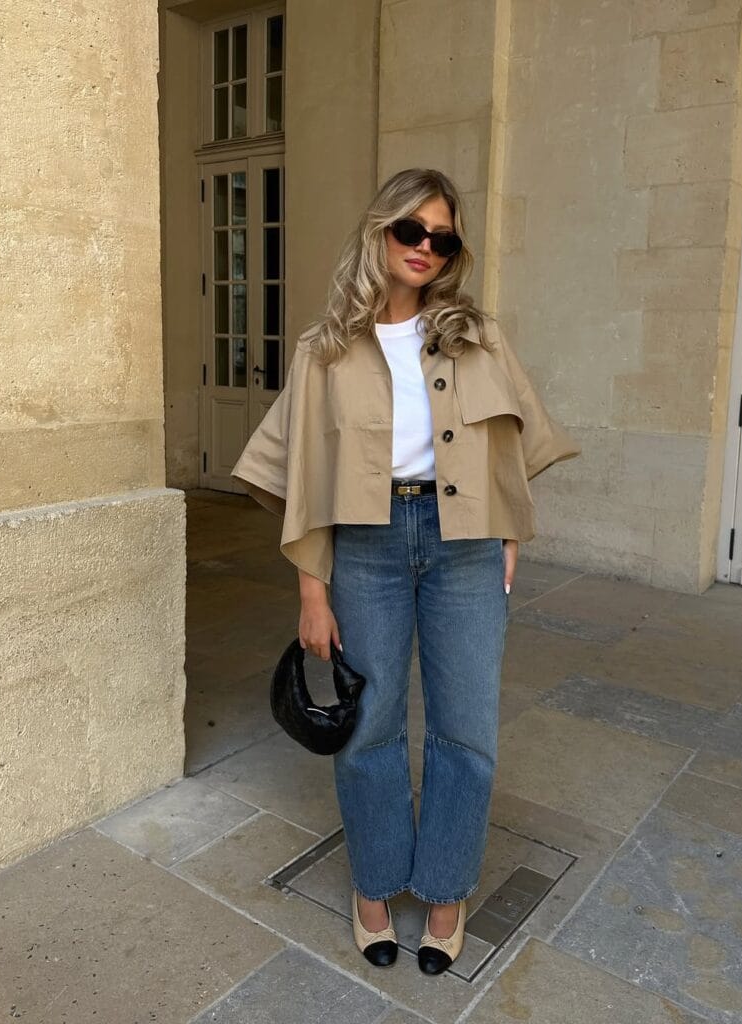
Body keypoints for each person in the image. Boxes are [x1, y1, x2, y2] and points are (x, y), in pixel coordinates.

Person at [231, 168, 579, 975]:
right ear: (380, 232)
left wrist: (506, 528)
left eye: (442, 237)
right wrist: (310, 592)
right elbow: (304, 480)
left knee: (467, 729)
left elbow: (512, 439)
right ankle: (377, 886)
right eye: (410, 231)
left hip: (463, 547)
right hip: (366, 547)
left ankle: (447, 890)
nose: (425, 248)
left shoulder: (475, 334)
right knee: (369, 726)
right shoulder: (325, 349)